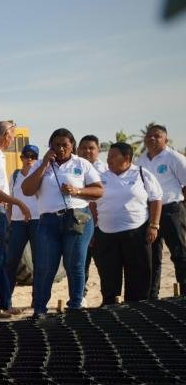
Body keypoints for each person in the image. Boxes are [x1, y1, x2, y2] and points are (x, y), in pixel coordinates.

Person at [20, 128, 103, 315]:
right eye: (56, 145)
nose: (61, 149)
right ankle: (39, 309)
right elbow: (27, 190)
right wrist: (43, 167)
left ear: (72, 145)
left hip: (77, 218)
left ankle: (75, 306)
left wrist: (77, 191)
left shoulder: (82, 164)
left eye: (65, 145)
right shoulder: (40, 165)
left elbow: (99, 191)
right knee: (44, 266)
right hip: (48, 221)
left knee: (74, 264)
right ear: (50, 147)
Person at [93, 142, 162, 304]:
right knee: (109, 271)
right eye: (108, 156)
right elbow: (92, 203)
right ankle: (110, 302)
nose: (108, 160)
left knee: (138, 271)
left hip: (136, 232)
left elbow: (156, 199)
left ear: (127, 157)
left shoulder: (142, 174)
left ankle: (137, 304)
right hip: (106, 233)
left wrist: (154, 225)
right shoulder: (101, 177)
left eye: (113, 156)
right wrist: (94, 227)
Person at [0, 121, 32, 319]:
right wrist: (17, 202)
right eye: (12, 135)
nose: (13, 139)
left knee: (0, 258)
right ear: (4, 136)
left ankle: (3, 302)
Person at [136, 124, 186, 299]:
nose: (152, 139)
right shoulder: (140, 161)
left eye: (157, 136)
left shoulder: (174, 158)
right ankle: (152, 295)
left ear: (166, 139)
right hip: (148, 212)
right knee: (152, 256)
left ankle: (184, 292)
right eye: (149, 136)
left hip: (172, 210)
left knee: (179, 252)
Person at [6, 144, 40, 305]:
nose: (29, 159)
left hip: (37, 221)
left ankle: (37, 299)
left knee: (38, 261)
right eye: (26, 156)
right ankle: (6, 300)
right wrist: (9, 219)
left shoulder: (40, 175)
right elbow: (10, 199)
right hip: (18, 222)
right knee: (11, 260)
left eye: (33, 156)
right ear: (21, 158)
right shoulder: (15, 175)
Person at [78, 134, 105, 283]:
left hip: (101, 225)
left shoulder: (105, 170)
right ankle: (81, 298)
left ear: (98, 150)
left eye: (91, 148)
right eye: (83, 148)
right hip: (80, 222)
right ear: (77, 149)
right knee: (80, 264)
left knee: (104, 266)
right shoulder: (74, 167)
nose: (87, 151)